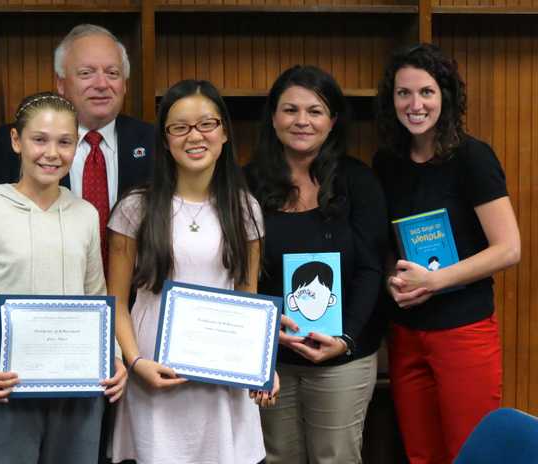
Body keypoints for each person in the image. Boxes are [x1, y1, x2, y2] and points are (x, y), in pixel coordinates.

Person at [0, 92, 127, 464]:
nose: (52, 153)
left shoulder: (84, 214)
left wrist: (112, 357)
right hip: (8, 391)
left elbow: (96, 297)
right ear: (17, 141)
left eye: (65, 142)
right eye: (40, 139)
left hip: (79, 393)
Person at [108, 79, 278, 464]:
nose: (195, 136)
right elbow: (116, 302)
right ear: (165, 139)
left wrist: (261, 364)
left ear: (224, 134)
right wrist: (136, 363)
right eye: (180, 127)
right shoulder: (136, 207)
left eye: (207, 124)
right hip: (154, 371)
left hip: (224, 373)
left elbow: (247, 294)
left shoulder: (245, 207)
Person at [373, 43, 520, 464]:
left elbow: (509, 248)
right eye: (404, 93)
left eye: (426, 92)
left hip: (464, 332)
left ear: (446, 96)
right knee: (421, 454)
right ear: (392, 100)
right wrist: (391, 281)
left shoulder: (473, 157)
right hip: (406, 334)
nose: (414, 104)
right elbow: (389, 244)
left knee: (470, 454)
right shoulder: (387, 163)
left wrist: (435, 282)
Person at [245, 65, 388, 464]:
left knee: (335, 458)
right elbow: (240, 273)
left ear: (333, 121)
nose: (302, 121)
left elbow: (371, 269)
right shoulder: (246, 184)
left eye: (315, 110)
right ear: (273, 117)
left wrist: (346, 339)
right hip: (272, 358)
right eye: (290, 110)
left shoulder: (358, 181)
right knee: (276, 458)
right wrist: (265, 341)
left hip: (343, 356)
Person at [0, 23, 154, 270]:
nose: (102, 84)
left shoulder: (154, 142)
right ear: (61, 83)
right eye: (86, 73)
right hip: (44, 295)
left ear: (124, 84)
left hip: (134, 301)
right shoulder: (17, 144)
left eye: (113, 73)